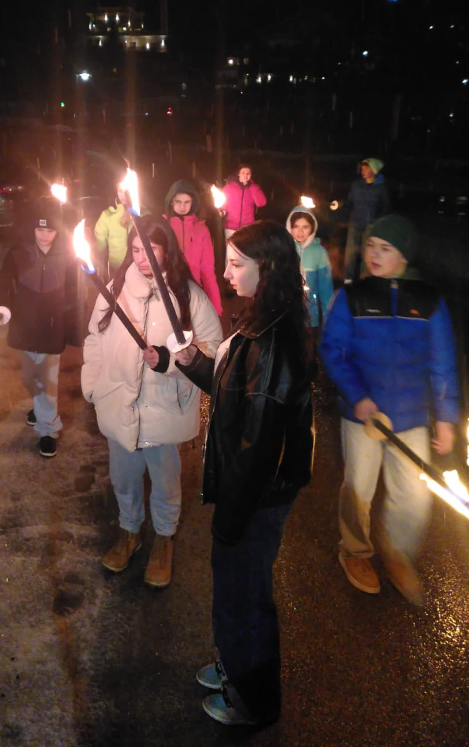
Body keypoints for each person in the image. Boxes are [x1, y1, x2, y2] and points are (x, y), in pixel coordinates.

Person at [168, 220, 314, 727]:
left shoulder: (274, 341)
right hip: (247, 487)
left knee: (246, 593)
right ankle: (235, 665)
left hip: (257, 494)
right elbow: (233, 392)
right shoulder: (259, 319)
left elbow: (258, 447)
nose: (224, 272)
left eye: (235, 264)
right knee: (233, 587)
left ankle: (255, 700)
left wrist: (231, 516)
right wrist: (189, 361)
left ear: (266, 268)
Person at [320, 215, 459, 606]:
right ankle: (355, 551)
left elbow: (442, 362)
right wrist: (358, 396)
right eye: (371, 246)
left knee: (414, 495)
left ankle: (397, 552)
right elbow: (333, 351)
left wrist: (446, 418)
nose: (374, 254)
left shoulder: (429, 301)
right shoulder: (353, 296)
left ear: (405, 256)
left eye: (386, 248)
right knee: (358, 488)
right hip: (364, 414)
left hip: (412, 416)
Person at [81, 216, 222, 588]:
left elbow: (211, 348)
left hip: (163, 407)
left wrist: (172, 361)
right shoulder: (114, 289)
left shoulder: (188, 295)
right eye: (137, 250)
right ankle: (129, 531)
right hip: (119, 404)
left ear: (167, 250)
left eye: (151, 250)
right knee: (123, 478)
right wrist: (93, 385)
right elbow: (94, 339)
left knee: (164, 481)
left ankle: (164, 538)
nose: (142, 258)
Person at [0, 196, 81, 459]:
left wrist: (74, 326)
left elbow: (76, 293)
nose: (44, 235)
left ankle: (48, 430)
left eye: (50, 230)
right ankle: (39, 406)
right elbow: (4, 281)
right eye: (40, 229)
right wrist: (2, 306)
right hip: (24, 324)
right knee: (30, 377)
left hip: (52, 327)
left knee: (47, 380)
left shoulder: (68, 255)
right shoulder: (19, 251)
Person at [163, 179, 222, 315]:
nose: (182, 206)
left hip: (193, 291)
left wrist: (216, 306)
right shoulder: (163, 227)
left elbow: (207, 270)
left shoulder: (201, 230)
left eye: (186, 202)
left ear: (193, 203)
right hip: (167, 291)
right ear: (171, 201)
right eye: (178, 202)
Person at [340, 157, 390, 283]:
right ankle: (347, 280)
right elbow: (349, 202)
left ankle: (365, 281)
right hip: (355, 223)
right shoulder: (356, 185)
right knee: (350, 254)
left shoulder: (381, 188)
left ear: (374, 170)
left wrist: (378, 222)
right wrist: (340, 204)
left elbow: (386, 206)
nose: (363, 171)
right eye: (362, 169)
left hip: (370, 226)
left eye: (366, 168)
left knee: (366, 255)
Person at [286, 206, 334, 330]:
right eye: (296, 226)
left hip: (309, 316)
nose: (300, 232)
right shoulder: (284, 249)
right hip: (285, 316)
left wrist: (328, 317)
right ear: (290, 226)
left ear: (312, 228)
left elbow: (326, 287)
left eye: (305, 227)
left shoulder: (319, 252)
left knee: (306, 346)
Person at [221, 165, 267, 268]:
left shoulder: (254, 188)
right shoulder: (230, 187)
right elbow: (223, 204)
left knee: (245, 253)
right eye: (243, 173)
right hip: (230, 226)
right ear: (238, 174)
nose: (246, 175)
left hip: (247, 227)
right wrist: (222, 211)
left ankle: (243, 276)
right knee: (230, 252)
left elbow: (261, 203)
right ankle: (229, 278)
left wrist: (252, 187)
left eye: (248, 173)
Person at [94, 184, 133, 277]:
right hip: (116, 270)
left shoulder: (144, 214)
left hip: (140, 269)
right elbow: (100, 246)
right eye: (120, 191)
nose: (124, 195)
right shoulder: (107, 215)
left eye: (127, 190)